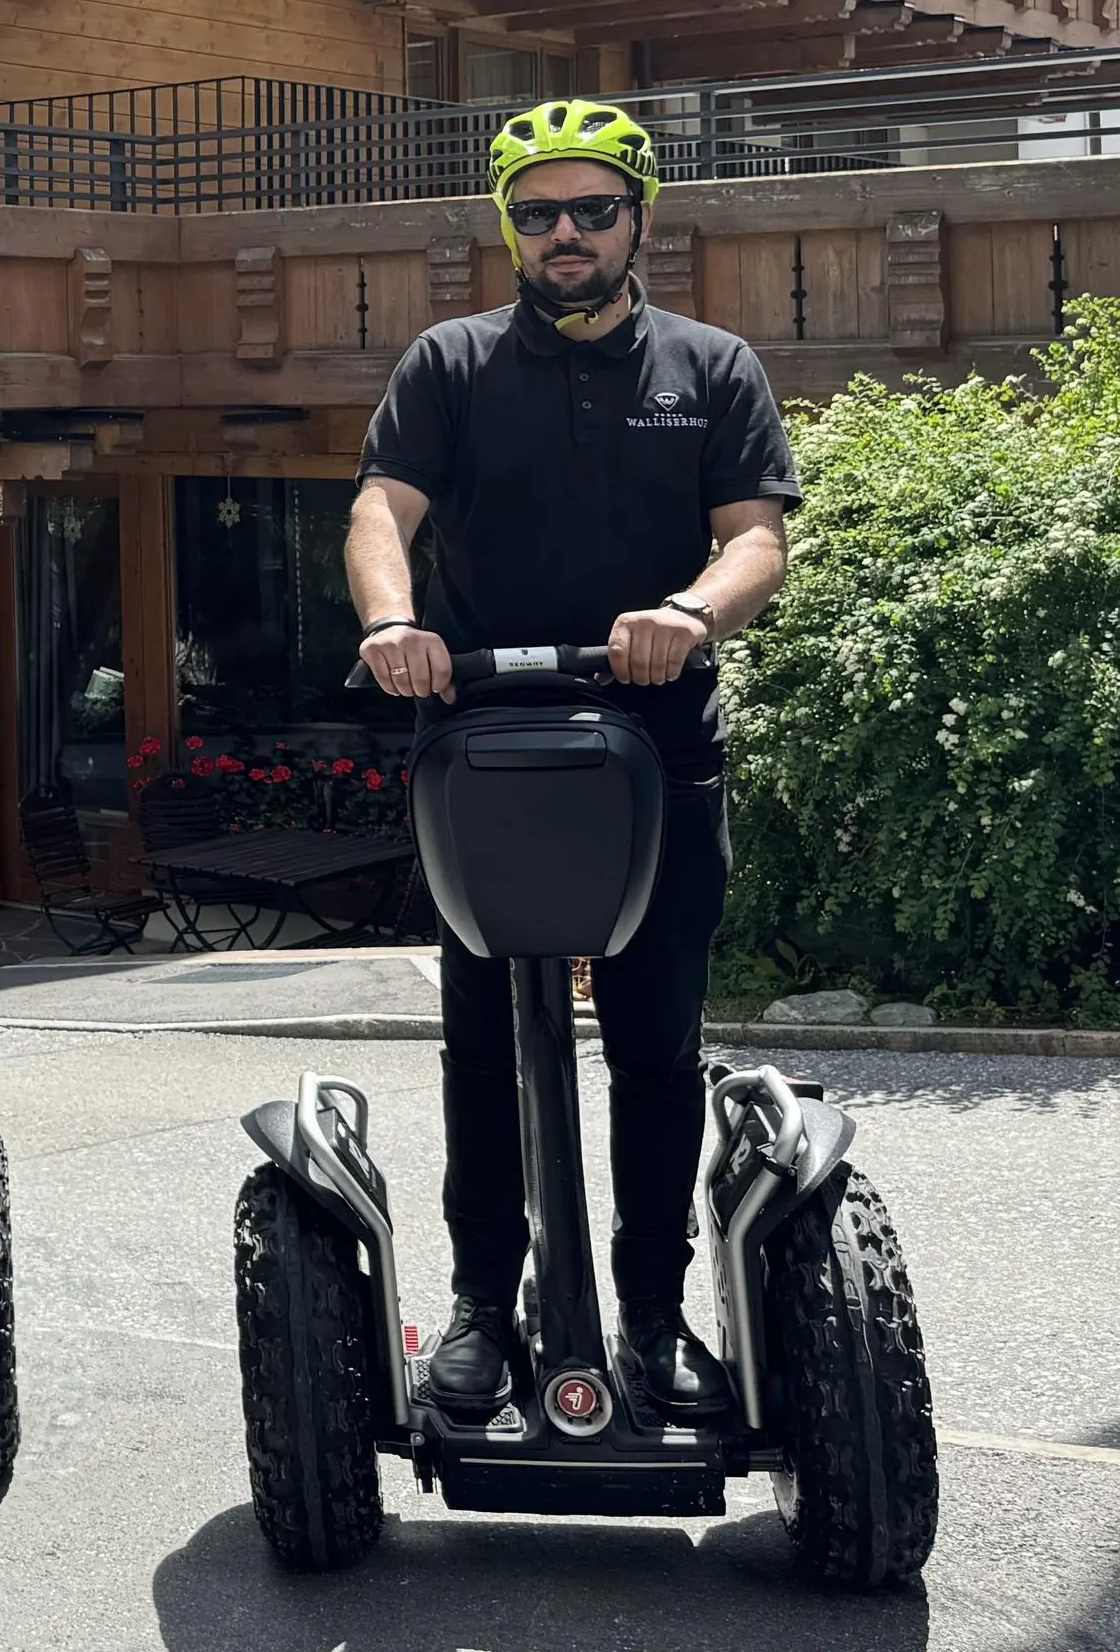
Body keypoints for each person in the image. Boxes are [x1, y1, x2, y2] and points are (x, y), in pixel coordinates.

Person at [344, 98, 799, 1428]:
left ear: (638, 219)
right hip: (486, 744)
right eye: (537, 214)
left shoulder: (710, 368)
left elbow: (757, 538)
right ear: (510, 231)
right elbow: (382, 508)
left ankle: (651, 1319)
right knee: (483, 1041)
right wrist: (391, 620)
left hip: (657, 742)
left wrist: (691, 616)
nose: (564, 234)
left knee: (656, 1049)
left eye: (591, 210)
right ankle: (487, 1307)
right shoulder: (449, 364)